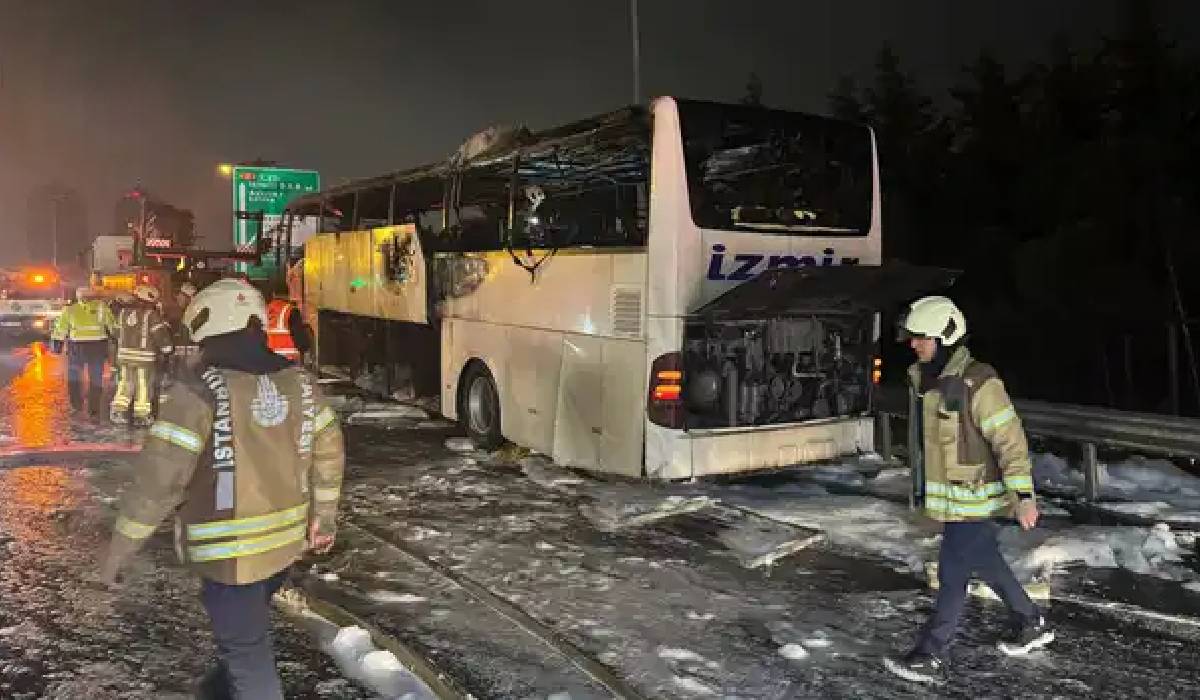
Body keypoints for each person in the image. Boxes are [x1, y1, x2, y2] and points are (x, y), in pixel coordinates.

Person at [97, 278, 345, 699]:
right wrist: (323, 519)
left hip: (228, 555)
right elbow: (329, 454)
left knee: (248, 655)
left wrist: (118, 553)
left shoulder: (195, 392)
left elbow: (159, 483)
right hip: (282, 549)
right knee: (242, 640)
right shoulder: (302, 385)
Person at [885, 296, 1053, 683]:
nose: (914, 344)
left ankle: (931, 652)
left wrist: (1023, 497)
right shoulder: (926, 380)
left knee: (953, 572)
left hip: (975, 497)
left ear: (944, 337)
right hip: (952, 499)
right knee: (985, 561)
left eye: (921, 338)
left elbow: (1010, 442)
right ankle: (1031, 622)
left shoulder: (980, 383)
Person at [111, 284, 174, 426]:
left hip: (124, 356)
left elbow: (115, 334)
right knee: (143, 386)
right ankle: (142, 415)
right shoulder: (151, 315)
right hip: (144, 359)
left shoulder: (123, 313)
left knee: (124, 385)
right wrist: (167, 349)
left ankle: (118, 412)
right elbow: (160, 336)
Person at [50, 286, 115, 417]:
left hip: (77, 347)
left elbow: (60, 329)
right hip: (97, 347)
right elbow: (112, 326)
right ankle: (94, 408)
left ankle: (76, 405)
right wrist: (116, 341)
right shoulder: (102, 307)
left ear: (78, 297)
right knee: (96, 377)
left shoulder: (70, 310)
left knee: (74, 376)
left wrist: (57, 346)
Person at [264, 289, 312, 364]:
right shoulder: (290, 310)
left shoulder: (265, 310)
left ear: (273, 295)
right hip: (289, 360)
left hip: (270, 359)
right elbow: (299, 337)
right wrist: (306, 347)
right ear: (289, 296)